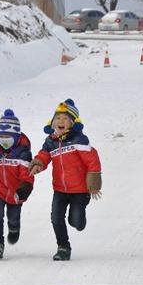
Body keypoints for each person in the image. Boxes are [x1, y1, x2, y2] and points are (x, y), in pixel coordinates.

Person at [29, 99, 102, 261]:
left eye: (65, 119)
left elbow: (92, 161)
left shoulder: (79, 140)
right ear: (53, 122)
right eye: (58, 118)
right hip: (60, 189)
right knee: (56, 217)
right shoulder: (50, 141)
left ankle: (78, 218)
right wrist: (37, 164)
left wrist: (94, 182)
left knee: (76, 222)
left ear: (72, 122)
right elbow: (44, 156)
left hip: (80, 190)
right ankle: (63, 247)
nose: (60, 122)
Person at [0, 109, 34, 259]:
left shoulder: (23, 152)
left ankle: (14, 228)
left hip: (16, 191)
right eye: (1, 136)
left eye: (8, 136)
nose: (4, 139)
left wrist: (24, 189)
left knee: (13, 217)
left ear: (16, 136)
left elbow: (27, 175)